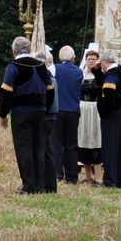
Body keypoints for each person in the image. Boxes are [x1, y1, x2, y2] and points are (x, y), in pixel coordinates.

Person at [0, 36, 52, 194]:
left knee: (24, 149)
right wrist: (45, 108)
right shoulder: (42, 66)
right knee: (38, 148)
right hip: (40, 112)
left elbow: (7, 92)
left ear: (14, 50)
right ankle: (39, 185)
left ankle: (28, 185)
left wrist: (3, 114)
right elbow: (51, 90)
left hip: (21, 112)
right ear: (29, 50)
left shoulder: (13, 66)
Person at [95, 52, 121, 189]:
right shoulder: (120, 71)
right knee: (120, 148)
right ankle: (120, 179)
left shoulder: (112, 75)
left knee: (110, 147)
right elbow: (101, 83)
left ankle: (110, 180)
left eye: (100, 63)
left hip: (113, 114)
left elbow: (108, 93)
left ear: (105, 61)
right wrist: (97, 71)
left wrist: (104, 112)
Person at [53, 46, 82, 184]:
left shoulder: (54, 69)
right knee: (71, 144)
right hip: (73, 110)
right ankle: (72, 176)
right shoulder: (79, 71)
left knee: (57, 143)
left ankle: (58, 173)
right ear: (72, 57)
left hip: (58, 109)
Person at [76, 48, 103, 184]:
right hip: (83, 109)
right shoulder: (81, 75)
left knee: (95, 139)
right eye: (89, 59)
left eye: (93, 59)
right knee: (84, 139)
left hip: (95, 109)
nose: (91, 61)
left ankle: (98, 176)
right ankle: (88, 175)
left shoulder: (100, 75)